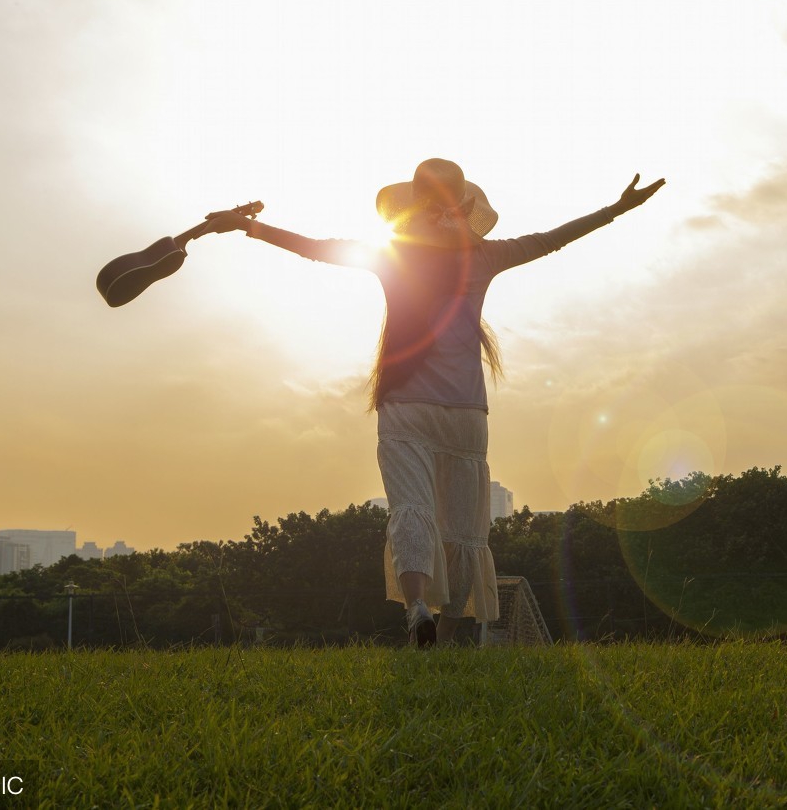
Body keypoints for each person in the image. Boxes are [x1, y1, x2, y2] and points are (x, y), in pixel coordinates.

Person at [202, 159, 664, 646]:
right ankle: (443, 635)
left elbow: (317, 249)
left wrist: (247, 226)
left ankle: (417, 606)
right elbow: (554, 238)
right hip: (467, 414)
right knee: (465, 531)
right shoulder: (483, 256)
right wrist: (616, 208)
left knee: (412, 510)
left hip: (406, 406)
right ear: (464, 205)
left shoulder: (393, 254)